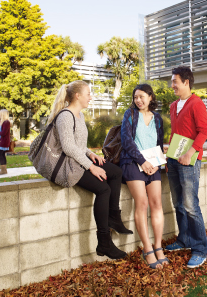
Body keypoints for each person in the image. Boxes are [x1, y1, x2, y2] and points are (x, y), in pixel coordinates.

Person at [47, 80, 131, 260]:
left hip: (79, 160)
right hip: (68, 166)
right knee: (103, 189)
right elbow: (68, 147)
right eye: (88, 94)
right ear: (77, 96)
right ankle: (104, 243)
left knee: (115, 172)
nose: (90, 97)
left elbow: (78, 145)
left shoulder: (80, 116)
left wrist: (91, 154)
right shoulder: (65, 116)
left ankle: (113, 217)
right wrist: (91, 167)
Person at [165, 65, 207, 269]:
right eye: (172, 81)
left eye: (175, 81)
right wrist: (169, 155)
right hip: (174, 159)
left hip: (189, 160)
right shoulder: (174, 106)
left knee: (191, 205)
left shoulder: (196, 103)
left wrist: (190, 153)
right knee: (179, 204)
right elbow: (176, 132)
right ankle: (184, 240)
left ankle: (200, 248)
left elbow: (204, 131)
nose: (172, 84)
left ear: (186, 82)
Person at [120, 84, 168, 269]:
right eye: (135, 97)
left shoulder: (157, 118)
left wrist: (157, 162)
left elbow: (158, 143)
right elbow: (126, 141)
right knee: (142, 203)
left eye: (141, 96)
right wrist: (142, 161)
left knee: (156, 203)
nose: (138, 100)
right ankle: (147, 248)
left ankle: (158, 247)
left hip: (153, 164)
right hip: (132, 163)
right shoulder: (130, 115)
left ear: (150, 97)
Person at [0, 109, 11, 175]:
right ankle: (4, 170)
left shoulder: (6, 122)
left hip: (3, 141)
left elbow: (3, 133)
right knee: (2, 154)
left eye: (0, 113)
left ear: (3, 114)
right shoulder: (2, 122)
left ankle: (3, 170)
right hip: (0, 140)